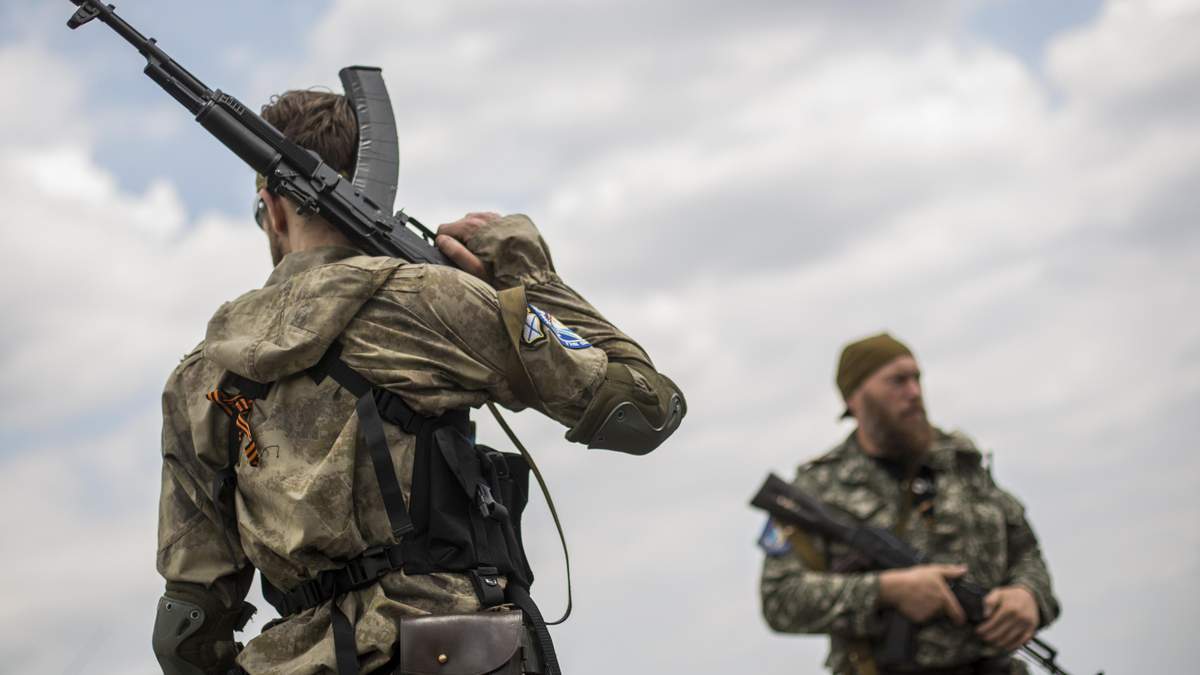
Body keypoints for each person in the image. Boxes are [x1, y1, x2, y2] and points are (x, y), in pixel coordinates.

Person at [152, 90, 686, 675]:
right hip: (448, 655)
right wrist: (532, 278)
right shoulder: (435, 302)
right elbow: (644, 409)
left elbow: (187, 628)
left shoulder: (200, 378)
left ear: (273, 210)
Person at [759, 333, 1059, 675]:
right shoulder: (817, 489)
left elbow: (1026, 553)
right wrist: (886, 591)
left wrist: (1027, 594)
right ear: (854, 398)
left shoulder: (962, 463)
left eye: (917, 379)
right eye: (897, 381)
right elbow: (780, 599)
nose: (914, 392)